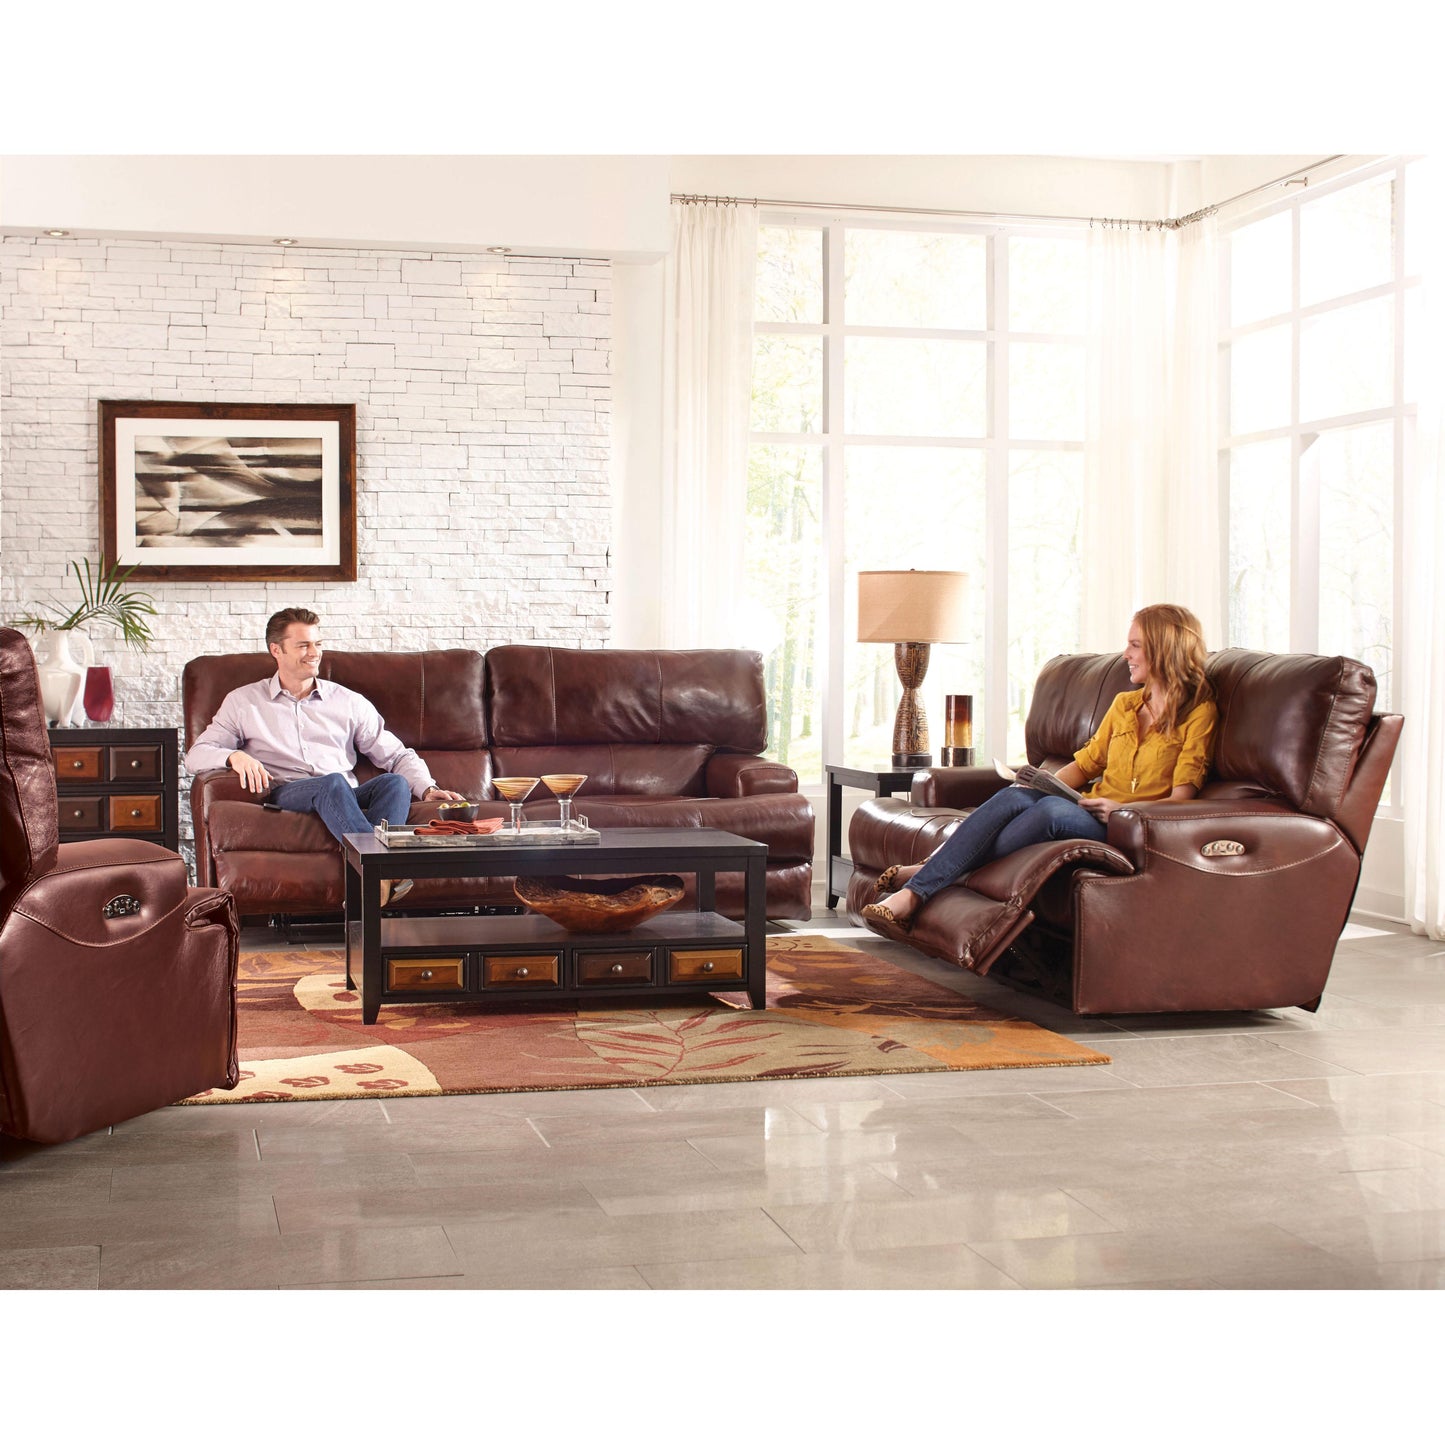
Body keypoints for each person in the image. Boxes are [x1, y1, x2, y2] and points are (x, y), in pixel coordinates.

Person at [862, 603, 1219, 932]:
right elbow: (1085, 766)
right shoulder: (1125, 705)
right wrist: (1043, 783)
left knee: (1049, 811)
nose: (1126, 653)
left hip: (1126, 826)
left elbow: (1181, 800)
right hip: (1089, 809)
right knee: (1018, 796)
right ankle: (922, 885)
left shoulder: (1198, 713)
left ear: (1164, 649)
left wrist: (1124, 811)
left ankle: (919, 886)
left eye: (1135, 645)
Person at [185, 607, 465, 907]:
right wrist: (234, 757)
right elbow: (195, 756)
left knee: (394, 783)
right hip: (287, 791)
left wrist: (427, 788)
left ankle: (371, 885)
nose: (314, 653)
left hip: (344, 793)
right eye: (303, 645)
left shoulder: (347, 701)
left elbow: (396, 754)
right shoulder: (244, 702)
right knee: (332, 783)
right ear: (276, 650)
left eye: (318, 644)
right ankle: (383, 874)